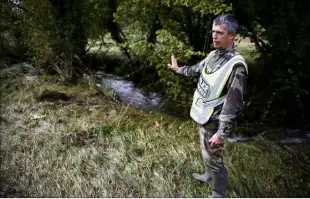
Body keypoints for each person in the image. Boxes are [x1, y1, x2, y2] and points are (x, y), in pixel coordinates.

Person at [168, 14, 248, 198]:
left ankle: (218, 193)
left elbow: (234, 103)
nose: (214, 36)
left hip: (216, 120)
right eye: (213, 32)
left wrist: (222, 133)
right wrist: (178, 69)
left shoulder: (237, 65)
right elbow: (197, 69)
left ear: (231, 35)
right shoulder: (213, 55)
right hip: (204, 115)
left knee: (215, 159)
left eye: (220, 33)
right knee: (206, 153)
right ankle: (208, 176)